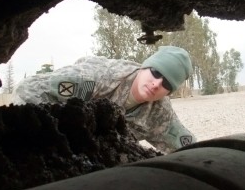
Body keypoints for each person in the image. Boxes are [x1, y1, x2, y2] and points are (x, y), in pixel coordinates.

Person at [12, 46, 196, 153]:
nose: (156, 84)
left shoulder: (159, 113)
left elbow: (190, 149)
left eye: (167, 84)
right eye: (156, 72)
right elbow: (27, 90)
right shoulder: (95, 81)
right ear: (144, 67)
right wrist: (51, 137)